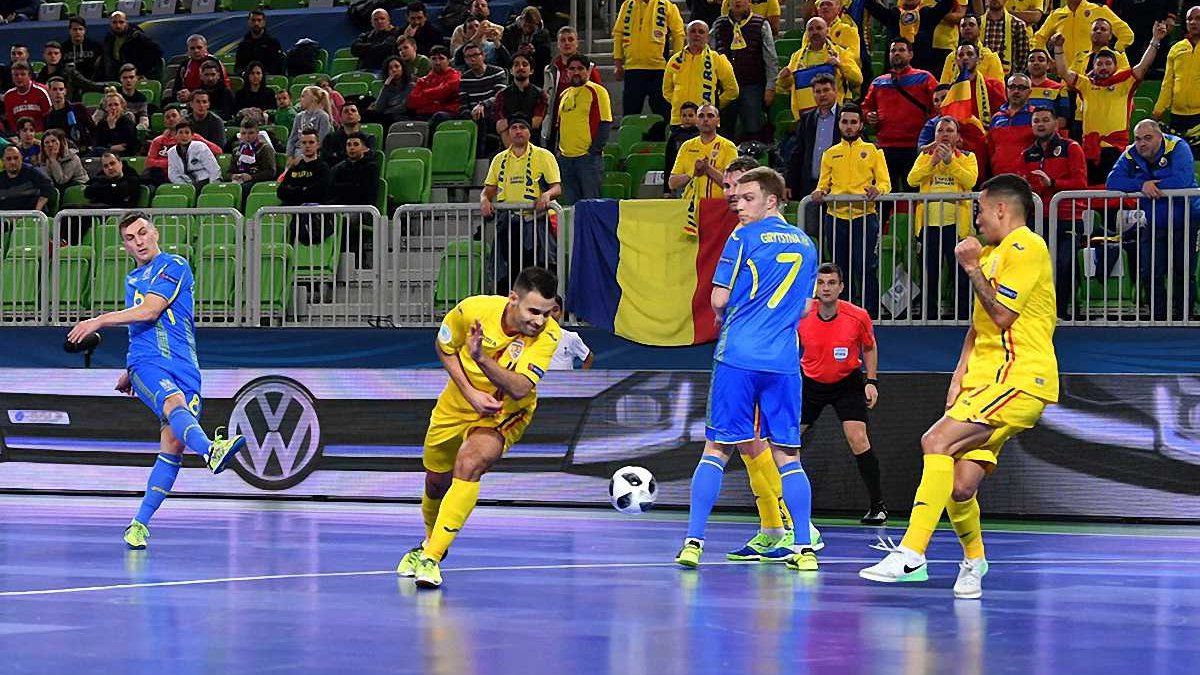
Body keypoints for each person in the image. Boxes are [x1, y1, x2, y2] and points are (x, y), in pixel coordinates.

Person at [860, 174, 1059, 600]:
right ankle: (974, 562)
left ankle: (912, 553)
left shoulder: (1026, 246)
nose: (976, 218)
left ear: (1001, 209)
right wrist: (958, 377)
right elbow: (979, 326)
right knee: (959, 486)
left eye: (980, 209)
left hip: (1018, 376)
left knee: (936, 441)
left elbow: (1003, 315)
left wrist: (970, 268)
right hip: (984, 381)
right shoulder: (993, 253)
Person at [66, 211, 247, 550]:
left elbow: (151, 310)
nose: (138, 242)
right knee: (174, 404)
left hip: (185, 365)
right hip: (148, 361)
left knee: (173, 445)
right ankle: (212, 450)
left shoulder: (174, 265)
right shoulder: (132, 279)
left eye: (142, 233)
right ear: (124, 246)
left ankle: (137, 525)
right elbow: (139, 326)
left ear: (155, 233)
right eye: (130, 238)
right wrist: (132, 367)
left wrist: (98, 320)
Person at [675, 166, 821, 571]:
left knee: (717, 449)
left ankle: (693, 542)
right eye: (737, 198)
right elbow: (806, 306)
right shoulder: (807, 243)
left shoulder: (743, 236)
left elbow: (719, 299)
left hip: (738, 355)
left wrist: (736, 311)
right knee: (788, 456)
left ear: (771, 200)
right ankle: (804, 548)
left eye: (748, 197)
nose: (738, 204)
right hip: (783, 361)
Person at [395, 266, 561, 589]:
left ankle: (431, 558)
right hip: (456, 404)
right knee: (435, 482)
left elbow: (520, 388)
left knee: (470, 462)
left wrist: (482, 358)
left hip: (504, 413)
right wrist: (470, 393)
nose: (540, 321)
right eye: (533, 311)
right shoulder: (473, 310)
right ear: (513, 299)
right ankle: (430, 543)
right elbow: (444, 346)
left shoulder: (548, 336)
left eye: (546, 313)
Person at [719, 157, 825, 562]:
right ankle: (771, 528)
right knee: (749, 444)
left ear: (766, 197)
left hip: (761, 353)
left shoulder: (752, 236)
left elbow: (723, 299)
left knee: (762, 444)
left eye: (740, 190)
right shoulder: (755, 234)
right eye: (728, 188)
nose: (733, 196)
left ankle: (798, 529)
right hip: (762, 349)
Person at [798, 262, 886, 523]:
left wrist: (872, 381)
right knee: (788, 440)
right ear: (815, 287)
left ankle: (878, 506)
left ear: (841, 287)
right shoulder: (801, 313)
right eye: (821, 283)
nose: (826, 288)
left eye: (831, 283)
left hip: (846, 383)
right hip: (810, 383)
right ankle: (779, 507)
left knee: (858, 439)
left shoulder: (858, 316)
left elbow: (869, 347)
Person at [1106, 119, 1200, 321]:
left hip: (1186, 221)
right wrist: (1142, 185)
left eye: (1148, 138)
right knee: (1150, 272)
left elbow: (1182, 181)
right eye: (1138, 139)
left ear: (1160, 137)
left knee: (1183, 272)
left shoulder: (1178, 147)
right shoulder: (1131, 153)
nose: (1142, 143)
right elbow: (1112, 182)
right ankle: (1158, 319)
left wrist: (1152, 187)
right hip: (1154, 223)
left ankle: (1184, 318)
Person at [1052, 22, 1167, 185]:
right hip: (1090, 149)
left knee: (1116, 193)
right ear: (1093, 67)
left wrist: (1155, 39)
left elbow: (1143, 66)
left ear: (1115, 66)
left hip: (1116, 150)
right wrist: (1058, 49)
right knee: (1091, 195)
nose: (1103, 67)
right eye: (1099, 64)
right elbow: (1064, 72)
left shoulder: (1125, 83)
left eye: (1108, 63)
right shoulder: (1086, 84)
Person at [812, 104, 890, 316]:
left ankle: (870, 314)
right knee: (839, 268)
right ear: (839, 124)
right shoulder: (830, 153)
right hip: (835, 218)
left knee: (866, 266)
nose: (849, 126)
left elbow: (885, 183)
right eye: (845, 122)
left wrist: (878, 189)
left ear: (861, 125)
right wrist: (819, 191)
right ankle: (843, 314)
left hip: (864, 216)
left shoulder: (873, 151)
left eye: (853, 122)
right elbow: (823, 183)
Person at [1020, 106, 1088, 318]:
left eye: (1045, 120)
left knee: (1064, 264)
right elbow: (1027, 186)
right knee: (1035, 268)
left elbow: (1081, 183)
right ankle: (1039, 312)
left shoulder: (1072, 148)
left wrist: (1053, 183)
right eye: (1036, 121)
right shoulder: (1027, 154)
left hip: (1068, 217)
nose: (1040, 124)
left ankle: (1065, 313)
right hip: (1038, 219)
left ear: (1056, 123)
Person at [907, 116, 977, 320]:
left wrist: (950, 162)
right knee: (929, 274)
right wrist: (932, 163)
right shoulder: (925, 156)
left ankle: (963, 317)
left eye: (949, 130)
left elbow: (970, 181)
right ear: (935, 135)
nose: (944, 134)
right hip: (929, 226)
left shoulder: (967, 157)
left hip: (957, 227)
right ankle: (928, 317)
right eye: (940, 131)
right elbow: (912, 180)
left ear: (957, 136)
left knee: (960, 274)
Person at [481, 115, 562, 289]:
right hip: (508, 224)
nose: (518, 131)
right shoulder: (499, 159)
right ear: (509, 132)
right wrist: (484, 200)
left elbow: (556, 188)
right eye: (514, 128)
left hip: (535, 223)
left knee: (538, 272)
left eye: (522, 127)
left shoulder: (544, 156)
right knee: (508, 275)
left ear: (529, 132)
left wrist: (546, 195)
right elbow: (488, 190)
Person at [861, 37, 939, 192]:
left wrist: (928, 134)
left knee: (915, 194)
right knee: (884, 195)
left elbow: (938, 107)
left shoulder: (925, 78)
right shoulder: (878, 82)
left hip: (915, 147)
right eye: (893, 50)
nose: (896, 53)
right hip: (885, 148)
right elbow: (865, 108)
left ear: (910, 54)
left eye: (901, 50)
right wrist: (868, 115)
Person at [711, 0, 777, 142]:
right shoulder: (718, 24)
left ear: (749, 2)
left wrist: (770, 87)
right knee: (724, 132)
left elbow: (771, 58)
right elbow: (709, 54)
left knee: (753, 130)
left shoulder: (761, 24)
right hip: (725, 89)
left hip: (752, 86)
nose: (738, 1)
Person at [668, 104, 738, 235]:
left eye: (710, 116)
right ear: (696, 121)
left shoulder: (728, 147)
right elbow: (672, 183)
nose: (705, 119)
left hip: (718, 209)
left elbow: (733, 184)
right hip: (690, 209)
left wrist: (708, 169)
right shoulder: (686, 146)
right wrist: (692, 173)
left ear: (718, 121)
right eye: (701, 116)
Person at [611, 0, 685, 119]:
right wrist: (618, 63)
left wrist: (677, 62)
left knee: (663, 114)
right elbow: (618, 33)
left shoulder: (667, 6)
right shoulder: (627, 5)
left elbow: (678, 34)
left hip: (659, 70)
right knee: (630, 115)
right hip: (632, 69)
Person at [777, 17, 861, 119]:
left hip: (834, 115)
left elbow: (858, 79)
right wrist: (783, 78)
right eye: (811, 29)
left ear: (827, 31)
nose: (815, 32)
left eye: (819, 28)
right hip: (805, 117)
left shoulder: (840, 53)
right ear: (806, 33)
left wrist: (840, 66)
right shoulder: (797, 56)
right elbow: (785, 87)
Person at [785, 73, 841, 228]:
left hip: (838, 187)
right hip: (811, 185)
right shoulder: (807, 119)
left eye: (826, 90)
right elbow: (798, 152)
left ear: (835, 91)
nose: (822, 95)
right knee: (811, 231)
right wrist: (789, 182)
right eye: (818, 91)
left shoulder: (846, 118)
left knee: (835, 233)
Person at [555, 55, 611, 204]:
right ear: (567, 72)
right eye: (572, 69)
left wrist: (593, 151)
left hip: (587, 160)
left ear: (587, 71)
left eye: (580, 68)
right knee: (572, 207)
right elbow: (559, 126)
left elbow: (605, 123)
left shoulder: (597, 91)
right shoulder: (564, 94)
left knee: (591, 205)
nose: (576, 72)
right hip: (566, 160)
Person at [662, 20, 739, 128]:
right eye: (693, 31)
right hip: (679, 121)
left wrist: (714, 105)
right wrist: (678, 103)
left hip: (705, 121)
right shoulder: (674, 60)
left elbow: (732, 90)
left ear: (707, 37)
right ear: (687, 35)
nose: (697, 34)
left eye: (701, 32)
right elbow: (667, 91)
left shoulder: (717, 59)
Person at [541, 26, 601, 148]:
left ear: (577, 43)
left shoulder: (589, 69)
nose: (567, 43)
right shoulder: (549, 70)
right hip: (555, 124)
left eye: (570, 39)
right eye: (563, 40)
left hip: (580, 124)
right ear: (558, 44)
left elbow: (598, 96)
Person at [862, 0, 956, 74]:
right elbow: (871, 5)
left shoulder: (927, 14)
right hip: (894, 75)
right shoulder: (893, 15)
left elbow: (947, 3)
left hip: (922, 73)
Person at [1033, 0, 1133, 67]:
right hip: (1065, 76)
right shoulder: (1056, 15)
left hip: (1092, 74)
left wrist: (1113, 53)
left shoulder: (1097, 10)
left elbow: (1126, 34)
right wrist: (1049, 61)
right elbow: (1038, 38)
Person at [1154, 6, 1200, 148]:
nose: (1193, 22)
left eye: (1198, 19)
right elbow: (1167, 83)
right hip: (1176, 116)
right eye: (1189, 19)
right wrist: (1159, 109)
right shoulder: (1176, 48)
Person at [146, 106, 223, 185]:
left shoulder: (195, 139)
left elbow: (217, 151)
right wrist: (173, 162)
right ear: (164, 122)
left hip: (196, 178)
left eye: (174, 115)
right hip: (167, 177)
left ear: (180, 118)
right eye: (167, 117)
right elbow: (149, 163)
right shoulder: (158, 141)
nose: (171, 119)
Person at [987, 73, 1036, 177]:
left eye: (1021, 88)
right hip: (999, 176)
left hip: (1028, 178)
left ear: (1029, 92)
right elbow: (991, 149)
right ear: (1006, 90)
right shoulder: (996, 118)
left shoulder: (1036, 116)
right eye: (1012, 87)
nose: (1016, 91)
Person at [494, 54, 548, 148]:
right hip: (507, 147)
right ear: (511, 71)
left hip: (534, 146)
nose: (521, 67)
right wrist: (513, 150)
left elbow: (536, 123)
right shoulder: (501, 95)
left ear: (531, 70)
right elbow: (500, 126)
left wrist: (509, 121)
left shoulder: (540, 94)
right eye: (516, 65)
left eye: (525, 64)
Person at [938, 14, 1005, 84]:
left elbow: (998, 86)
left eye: (971, 24)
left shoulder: (990, 57)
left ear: (979, 29)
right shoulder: (951, 57)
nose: (967, 28)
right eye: (963, 25)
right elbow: (943, 86)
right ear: (959, 30)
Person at [500, 7, 552, 87]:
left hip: (536, 73)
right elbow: (503, 55)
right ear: (521, 20)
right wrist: (517, 53)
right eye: (525, 26)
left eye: (530, 27)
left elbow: (547, 58)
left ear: (536, 25)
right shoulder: (509, 32)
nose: (527, 29)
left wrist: (535, 51)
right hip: (513, 72)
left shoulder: (543, 35)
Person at [171, 35, 230, 103]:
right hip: (187, 99)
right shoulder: (184, 64)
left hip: (209, 100)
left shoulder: (214, 62)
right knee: (168, 92)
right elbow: (177, 87)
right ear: (188, 50)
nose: (196, 51)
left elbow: (220, 89)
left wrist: (192, 95)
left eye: (199, 47)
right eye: (192, 48)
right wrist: (179, 95)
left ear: (205, 47)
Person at [407, 47, 461, 120]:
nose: (437, 62)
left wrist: (424, 93)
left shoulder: (456, 76)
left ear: (449, 61)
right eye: (434, 59)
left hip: (448, 115)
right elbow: (412, 102)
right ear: (430, 60)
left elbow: (446, 90)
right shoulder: (422, 81)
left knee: (439, 116)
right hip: (424, 115)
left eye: (441, 58)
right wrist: (438, 100)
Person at [979, 0, 1030, 77]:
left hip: (1008, 77)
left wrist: (1013, 78)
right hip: (982, 76)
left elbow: (1023, 58)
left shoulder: (1018, 24)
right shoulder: (977, 23)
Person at [37, 40, 106, 96]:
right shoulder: (40, 76)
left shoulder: (70, 72)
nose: (53, 56)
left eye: (56, 53)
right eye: (49, 53)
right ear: (44, 56)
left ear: (60, 55)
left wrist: (106, 87)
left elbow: (88, 85)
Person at [44, 76, 95, 151]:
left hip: (84, 149)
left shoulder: (78, 108)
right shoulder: (48, 117)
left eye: (61, 89)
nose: (58, 92)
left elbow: (92, 128)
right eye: (54, 89)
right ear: (49, 92)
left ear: (65, 91)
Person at [1025, 49, 1071, 130]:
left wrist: (1040, 130)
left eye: (1041, 60)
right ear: (1027, 65)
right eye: (1032, 60)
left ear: (1048, 65)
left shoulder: (1060, 89)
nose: (1036, 63)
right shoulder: (1019, 89)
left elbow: (1063, 121)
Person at [167, 121, 221, 188]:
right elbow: (173, 175)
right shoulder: (171, 152)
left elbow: (214, 169)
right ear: (175, 135)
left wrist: (212, 186)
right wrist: (185, 187)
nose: (184, 136)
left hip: (205, 181)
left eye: (187, 132)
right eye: (180, 132)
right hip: (186, 184)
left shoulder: (200, 147)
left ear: (192, 135)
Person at [230, 120, 277, 195]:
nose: (247, 136)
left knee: (242, 189)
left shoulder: (265, 149)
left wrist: (251, 177)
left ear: (257, 133)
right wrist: (233, 176)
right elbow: (230, 171)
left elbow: (270, 172)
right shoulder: (237, 150)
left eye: (251, 133)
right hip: (240, 181)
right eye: (243, 133)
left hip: (257, 181)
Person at [0, 145, 51, 213]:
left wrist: (36, 211)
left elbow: (48, 188)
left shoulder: (33, 172)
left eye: (16, 158)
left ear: (21, 158)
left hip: (30, 216)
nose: (13, 162)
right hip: (5, 217)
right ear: (3, 161)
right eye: (8, 159)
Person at [286, 86, 333, 158]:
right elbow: (292, 139)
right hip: (297, 152)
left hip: (313, 154)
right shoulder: (299, 116)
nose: (300, 99)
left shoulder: (323, 116)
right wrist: (289, 156)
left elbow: (322, 141)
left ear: (314, 98)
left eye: (303, 96)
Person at [664, 102, 699, 196]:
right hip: (680, 180)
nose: (687, 118)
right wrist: (666, 190)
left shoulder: (702, 135)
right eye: (684, 116)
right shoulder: (674, 136)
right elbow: (669, 163)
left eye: (690, 115)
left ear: (697, 117)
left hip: (699, 179)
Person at [235, 10, 286, 75]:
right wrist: (244, 73)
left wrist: (262, 75)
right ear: (249, 22)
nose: (256, 23)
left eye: (259, 20)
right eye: (253, 20)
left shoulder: (273, 43)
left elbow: (277, 67)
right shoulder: (243, 44)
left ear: (264, 22)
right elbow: (238, 67)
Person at [366, 57, 414, 127]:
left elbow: (404, 107)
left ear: (403, 69)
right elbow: (379, 108)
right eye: (390, 68)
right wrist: (385, 86)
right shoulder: (387, 88)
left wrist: (386, 112)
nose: (394, 70)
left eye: (397, 66)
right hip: (388, 116)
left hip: (404, 116)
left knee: (388, 118)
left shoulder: (411, 86)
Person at [548, 295, 592, 370]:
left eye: (555, 310)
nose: (551, 315)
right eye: (547, 311)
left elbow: (588, 357)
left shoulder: (571, 337)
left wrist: (582, 377)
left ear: (561, 312)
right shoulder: (532, 337)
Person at [353, 8, 405, 72]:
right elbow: (354, 48)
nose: (379, 21)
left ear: (388, 21)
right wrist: (377, 46)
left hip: (386, 70)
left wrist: (365, 50)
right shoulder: (366, 35)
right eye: (375, 19)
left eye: (382, 18)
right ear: (371, 22)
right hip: (364, 70)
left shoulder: (396, 33)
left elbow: (384, 48)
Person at [4, 63, 52, 131]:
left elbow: (49, 115)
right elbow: (11, 120)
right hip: (20, 134)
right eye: (16, 75)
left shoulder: (41, 91)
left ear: (30, 76)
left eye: (23, 74)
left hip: (41, 133)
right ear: (12, 78)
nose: (19, 77)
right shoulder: (8, 96)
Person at [92, 90, 138, 157]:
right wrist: (110, 148)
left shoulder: (128, 122)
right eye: (110, 105)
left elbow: (129, 146)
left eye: (116, 104)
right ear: (106, 108)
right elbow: (97, 145)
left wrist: (112, 127)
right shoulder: (102, 123)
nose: (113, 108)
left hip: (123, 156)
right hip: (103, 155)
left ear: (122, 106)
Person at [62, 15, 103, 79]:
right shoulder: (63, 48)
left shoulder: (95, 46)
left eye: (80, 29)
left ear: (84, 30)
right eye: (74, 29)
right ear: (70, 31)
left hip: (92, 80)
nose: (77, 32)